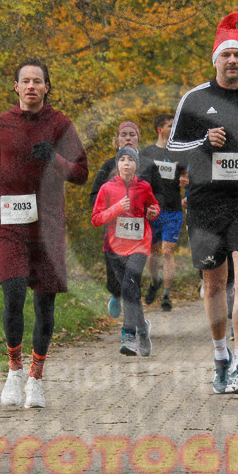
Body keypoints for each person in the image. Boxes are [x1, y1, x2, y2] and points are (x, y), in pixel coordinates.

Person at [167, 8, 238, 395]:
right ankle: (220, 355)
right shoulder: (195, 99)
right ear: (215, 60)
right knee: (215, 286)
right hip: (205, 202)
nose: (233, 61)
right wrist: (203, 143)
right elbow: (172, 148)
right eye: (226, 55)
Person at [0, 58, 88, 409]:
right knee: (13, 292)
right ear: (16, 87)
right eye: (26, 81)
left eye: (39, 81)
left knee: (44, 303)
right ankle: (14, 370)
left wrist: (54, 158)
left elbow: (80, 173)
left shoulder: (61, 124)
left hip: (47, 225)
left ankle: (36, 377)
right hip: (9, 221)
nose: (32, 86)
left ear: (47, 87)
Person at [91, 146, 161, 355]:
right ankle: (142, 329)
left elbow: (154, 207)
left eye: (131, 160)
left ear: (136, 165)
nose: (127, 163)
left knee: (130, 284)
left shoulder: (144, 186)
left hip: (139, 244)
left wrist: (153, 212)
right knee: (129, 291)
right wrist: (117, 208)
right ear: (117, 164)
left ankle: (130, 336)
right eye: (122, 159)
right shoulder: (106, 189)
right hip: (115, 247)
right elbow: (96, 219)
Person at [140, 113, 188, 311]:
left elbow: (187, 177)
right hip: (151, 210)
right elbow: (139, 180)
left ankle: (167, 294)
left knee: (167, 252)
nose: (173, 129)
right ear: (159, 129)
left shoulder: (179, 153)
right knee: (153, 252)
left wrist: (186, 185)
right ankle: (155, 281)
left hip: (173, 209)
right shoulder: (147, 153)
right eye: (170, 126)